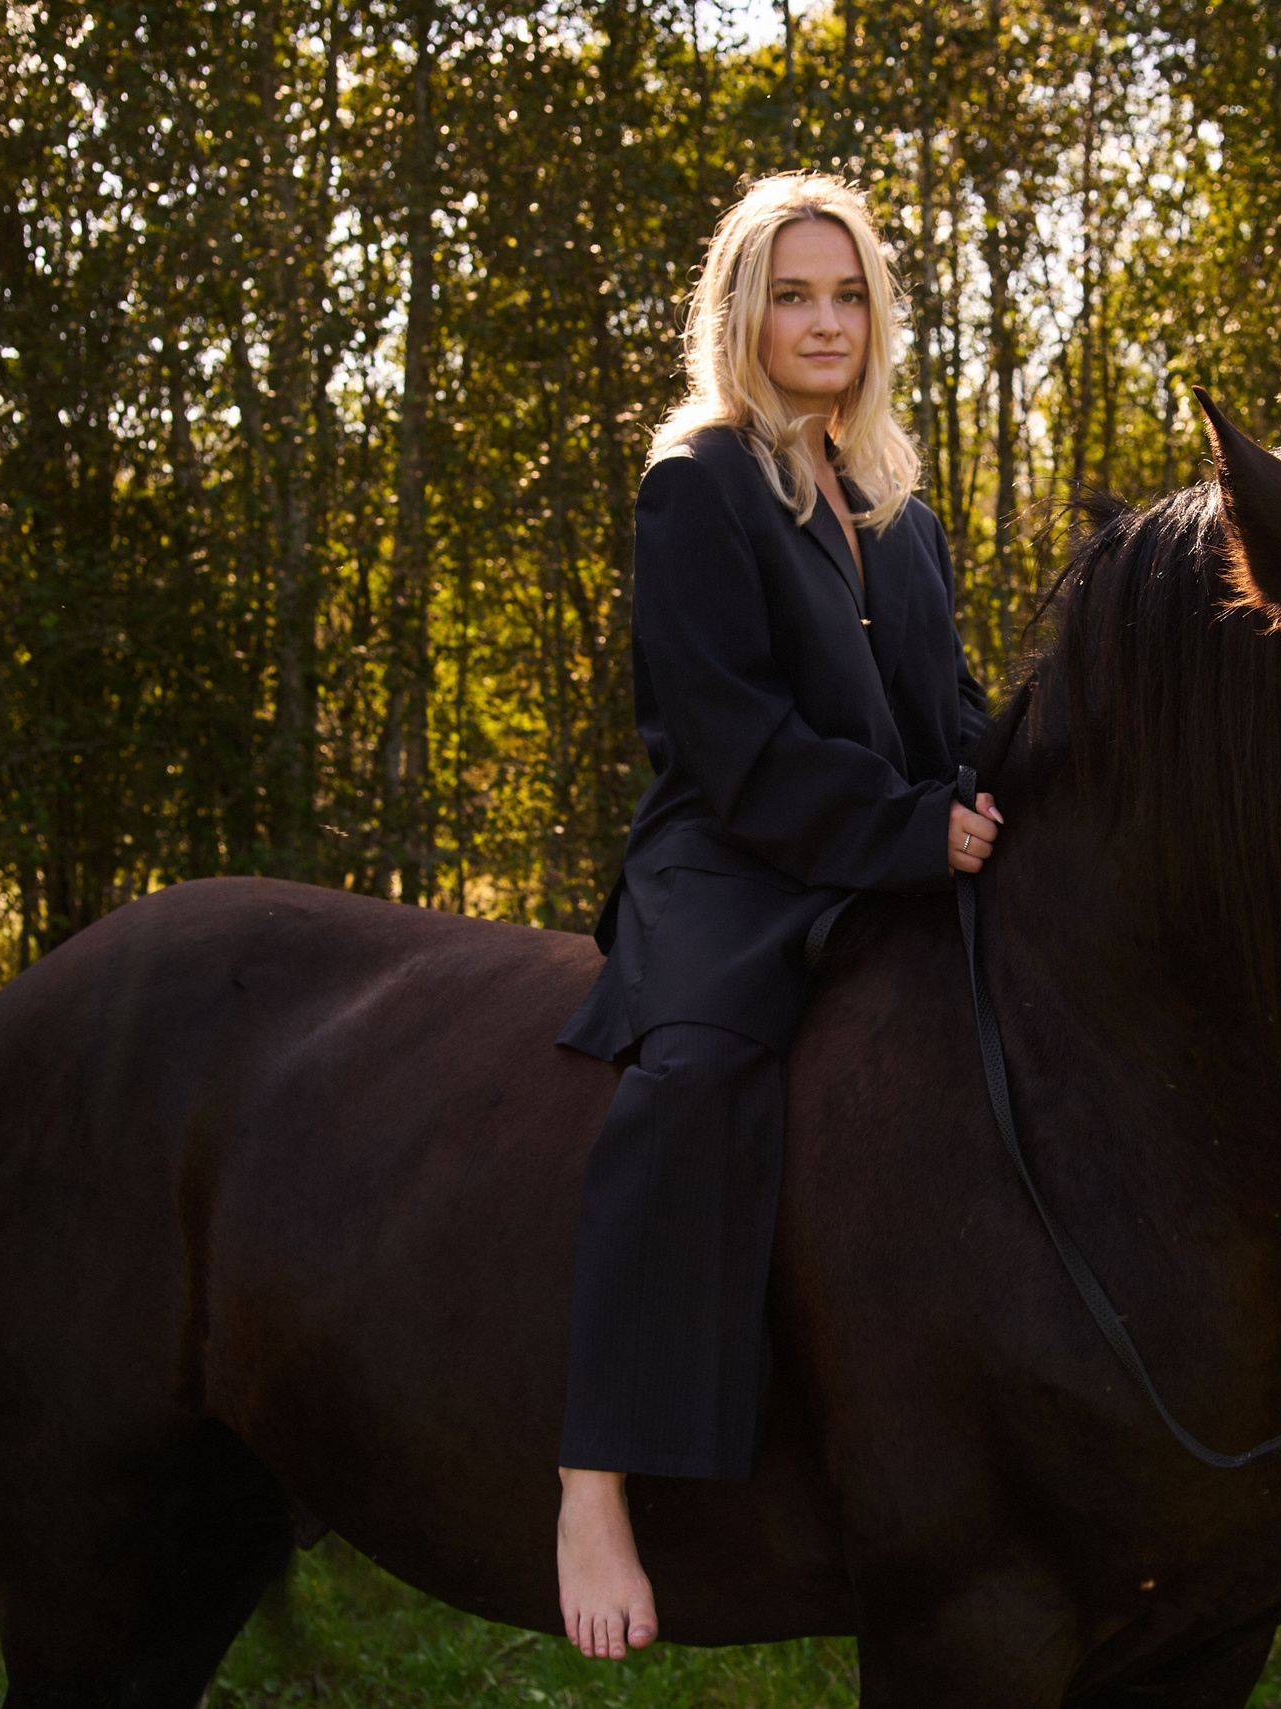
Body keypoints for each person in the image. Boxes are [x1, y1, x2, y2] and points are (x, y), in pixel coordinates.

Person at [551, 172, 1004, 1661]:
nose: (825, 321)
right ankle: (594, 1477)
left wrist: (1035, 788)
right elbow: (732, 736)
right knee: (692, 1084)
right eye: (795, 295)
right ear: (743, 314)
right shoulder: (697, 482)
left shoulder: (899, 503)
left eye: (849, 293)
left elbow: (949, 717)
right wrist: (909, 828)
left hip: (883, 851)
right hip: (734, 864)